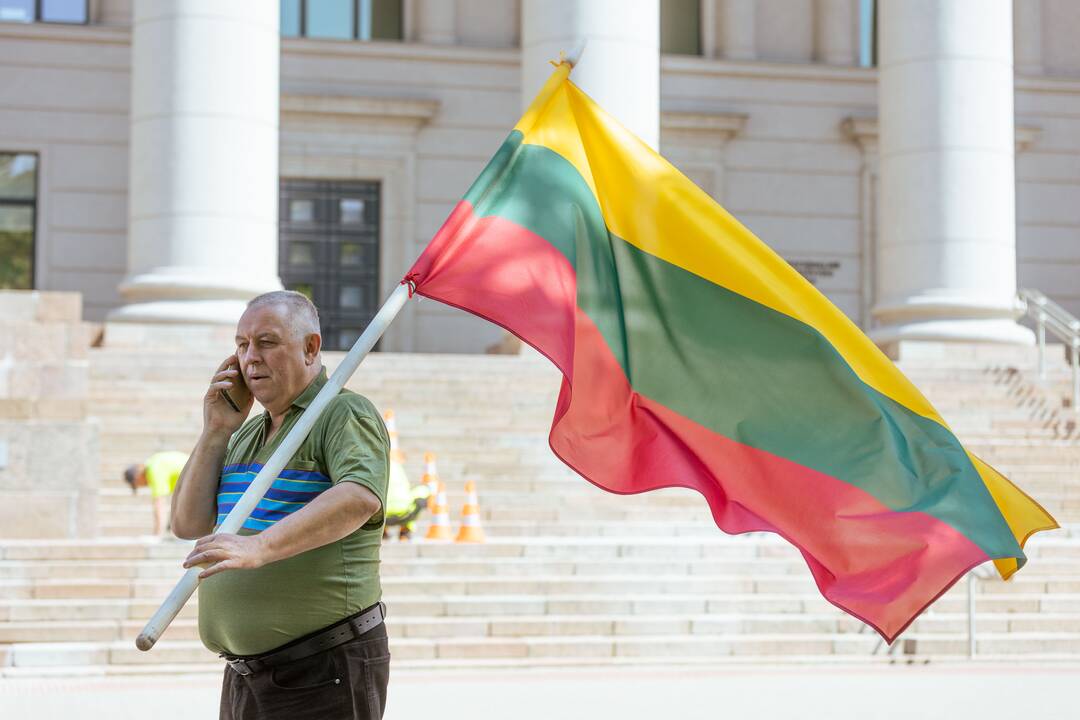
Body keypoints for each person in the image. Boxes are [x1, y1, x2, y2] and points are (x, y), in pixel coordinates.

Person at [170, 290, 391, 720]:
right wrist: (215, 430)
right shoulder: (245, 433)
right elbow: (187, 522)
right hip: (245, 673)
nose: (250, 358)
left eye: (267, 342)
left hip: (322, 666)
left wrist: (259, 547)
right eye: (241, 344)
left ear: (310, 348)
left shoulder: (344, 413)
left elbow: (360, 497)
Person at [123, 450, 189, 537]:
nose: (144, 486)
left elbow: (159, 505)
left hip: (197, 475)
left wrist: (157, 534)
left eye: (139, 485)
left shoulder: (154, 471)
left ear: (137, 477)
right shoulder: (153, 463)